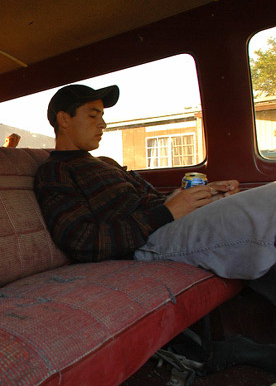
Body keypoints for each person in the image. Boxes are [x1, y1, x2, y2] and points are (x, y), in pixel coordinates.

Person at [34, 84, 276, 301]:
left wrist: (200, 197)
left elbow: (150, 200)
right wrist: (167, 213)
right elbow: (82, 241)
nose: (103, 124)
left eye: (102, 116)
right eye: (93, 115)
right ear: (64, 120)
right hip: (144, 244)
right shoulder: (55, 171)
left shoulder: (106, 163)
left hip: (166, 225)